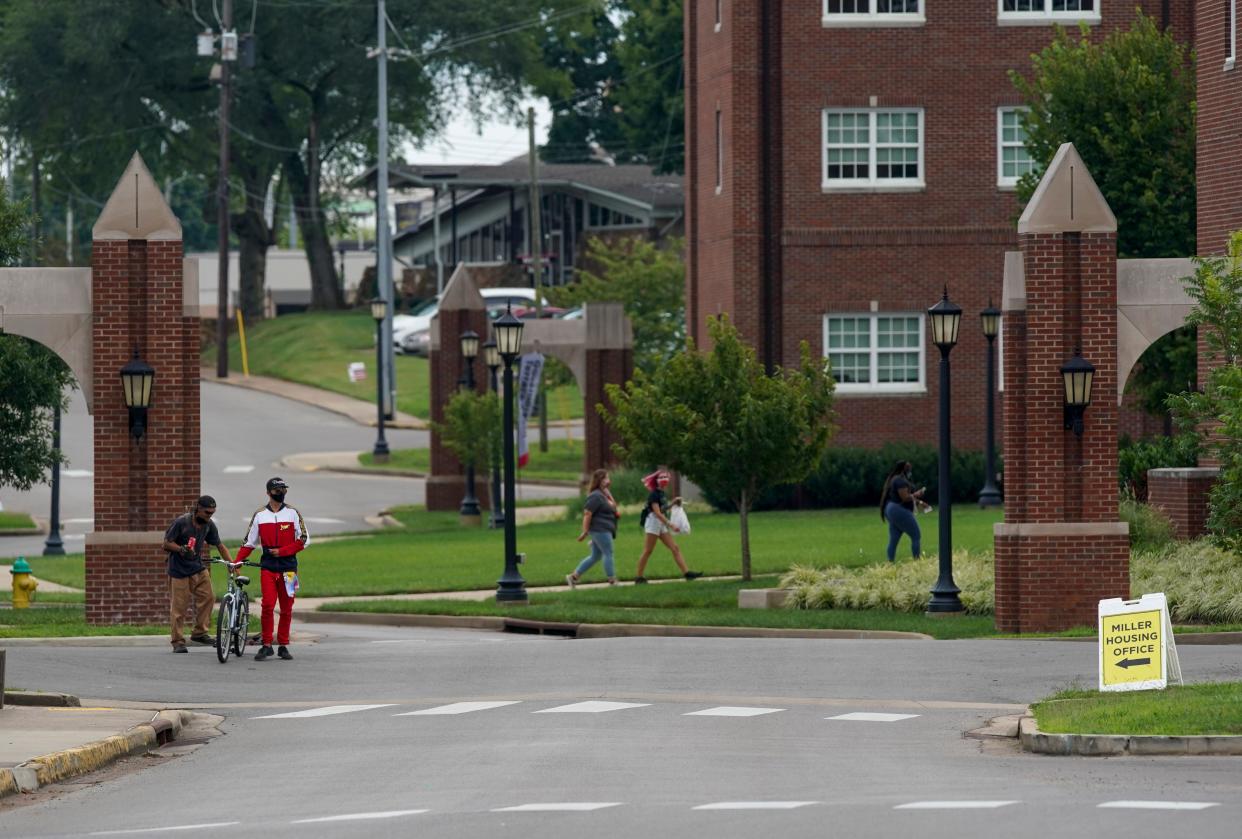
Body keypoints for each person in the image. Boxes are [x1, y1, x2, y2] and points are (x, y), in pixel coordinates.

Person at [234, 477, 311, 661]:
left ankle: (283, 645)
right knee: (267, 605)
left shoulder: (293, 513)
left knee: (287, 608)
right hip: (268, 568)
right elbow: (249, 542)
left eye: (284, 490)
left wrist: (283, 551)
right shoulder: (260, 515)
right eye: (277, 490)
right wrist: (238, 561)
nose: (281, 493)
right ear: (268, 493)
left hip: (290, 569)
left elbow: (304, 539)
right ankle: (267, 644)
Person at [163, 495, 233, 654]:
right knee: (179, 607)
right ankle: (178, 641)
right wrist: (181, 549)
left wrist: (231, 563)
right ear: (198, 509)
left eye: (212, 513)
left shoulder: (209, 525)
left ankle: (200, 633)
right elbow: (166, 543)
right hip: (179, 570)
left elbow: (219, 545)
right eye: (207, 512)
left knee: (209, 597)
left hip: (197, 567)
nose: (210, 516)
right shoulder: (182, 522)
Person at [634, 470, 702, 584]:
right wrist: (670, 524)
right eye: (662, 477)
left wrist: (673, 503)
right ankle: (639, 577)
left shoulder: (661, 493)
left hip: (660, 523)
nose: (664, 479)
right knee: (648, 551)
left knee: (675, 548)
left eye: (666, 477)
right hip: (653, 523)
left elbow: (662, 509)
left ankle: (687, 573)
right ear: (657, 481)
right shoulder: (654, 494)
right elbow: (657, 513)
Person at [566, 469, 620, 588]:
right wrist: (585, 531)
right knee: (608, 553)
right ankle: (612, 580)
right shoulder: (595, 496)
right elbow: (587, 513)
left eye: (608, 478)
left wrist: (607, 492)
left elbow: (614, 507)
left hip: (604, 529)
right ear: (599, 480)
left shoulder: (603, 495)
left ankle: (573, 577)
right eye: (605, 478)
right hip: (600, 529)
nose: (608, 480)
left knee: (596, 556)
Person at [880, 461, 925, 562]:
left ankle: (889, 563)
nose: (910, 471)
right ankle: (917, 562)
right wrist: (917, 494)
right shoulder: (900, 481)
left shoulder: (894, 479)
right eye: (909, 469)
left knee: (894, 539)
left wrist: (919, 502)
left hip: (891, 509)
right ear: (904, 469)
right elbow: (905, 498)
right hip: (899, 510)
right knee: (916, 535)